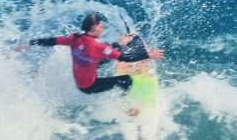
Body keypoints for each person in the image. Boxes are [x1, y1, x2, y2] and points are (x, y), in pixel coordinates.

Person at [20, 11, 165, 96]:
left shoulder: (74, 38)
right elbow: (125, 58)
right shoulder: (97, 47)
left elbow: (51, 41)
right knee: (126, 80)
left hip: (85, 73)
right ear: (95, 28)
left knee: (110, 49)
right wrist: (148, 55)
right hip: (90, 86)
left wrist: (29, 43)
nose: (103, 28)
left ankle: (121, 43)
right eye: (101, 26)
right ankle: (126, 105)